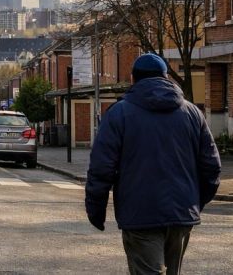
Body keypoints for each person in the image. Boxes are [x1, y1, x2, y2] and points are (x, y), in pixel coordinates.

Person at [85, 53, 221, 275]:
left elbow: (101, 169)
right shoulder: (192, 113)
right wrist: (194, 202)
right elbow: (212, 166)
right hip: (181, 214)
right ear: (166, 77)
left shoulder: (119, 114)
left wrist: (96, 211)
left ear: (133, 79)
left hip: (140, 214)